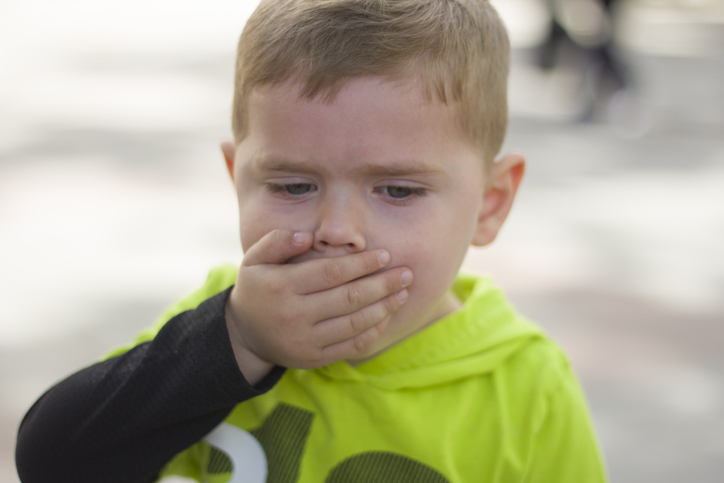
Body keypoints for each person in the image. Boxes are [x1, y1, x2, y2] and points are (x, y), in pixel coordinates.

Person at [15, 0, 607, 482]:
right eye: (293, 185)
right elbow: (53, 461)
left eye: (398, 190)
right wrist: (236, 341)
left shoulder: (525, 387)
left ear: (490, 203)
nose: (337, 231)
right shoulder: (228, 318)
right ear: (237, 180)